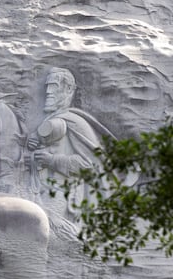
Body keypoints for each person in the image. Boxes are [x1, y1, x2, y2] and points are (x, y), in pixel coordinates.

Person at [24, 67, 111, 232]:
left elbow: (91, 166)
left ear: (69, 90)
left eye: (55, 86)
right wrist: (33, 159)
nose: (48, 92)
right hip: (36, 191)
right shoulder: (50, 121)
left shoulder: (76, 123)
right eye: (47, 86)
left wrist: (51, 160)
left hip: (60, 196)